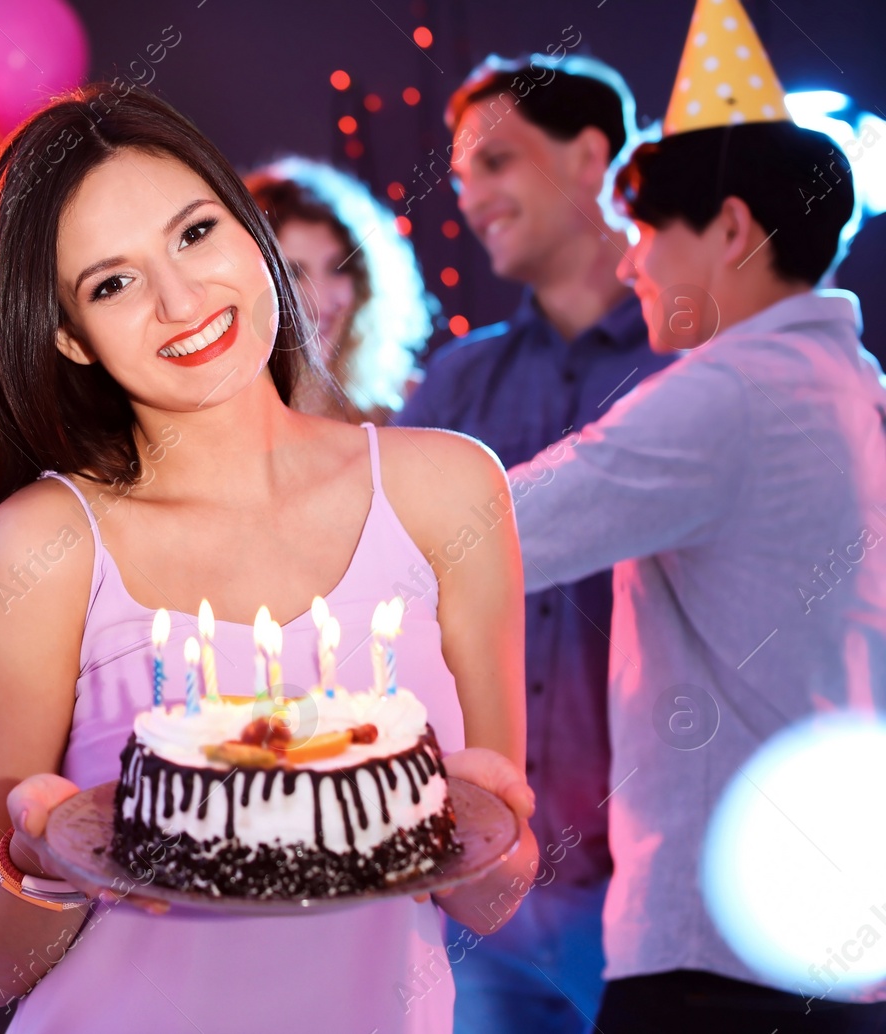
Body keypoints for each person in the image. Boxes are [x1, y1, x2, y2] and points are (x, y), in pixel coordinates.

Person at [0, 82, 538, 1033]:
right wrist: (42, 868)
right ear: (69, 337)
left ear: (250, 231)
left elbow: (488, 895)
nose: (181, 300)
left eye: (194, 234)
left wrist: (503, 838)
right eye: (113, 283)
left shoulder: (450, 493)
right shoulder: (43, 545)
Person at [509, 4, 886, 1029]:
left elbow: (508, 529)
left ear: (727, 228)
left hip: (715, 958)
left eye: (642, 232)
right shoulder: (849, 383)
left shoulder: (733, 389)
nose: (628, 264)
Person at [394, 53, 675, 1032]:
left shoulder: (699, 371)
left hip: (659, 890)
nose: (470, 197)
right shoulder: (454, 385)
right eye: (462, 175)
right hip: (485, 890)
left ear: (591, 157)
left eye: (497, 163)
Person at [247, 157, 435, 423]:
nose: (321, 301)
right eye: (293, 274)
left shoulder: (415, 402)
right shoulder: (225, 424)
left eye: (338, 268)